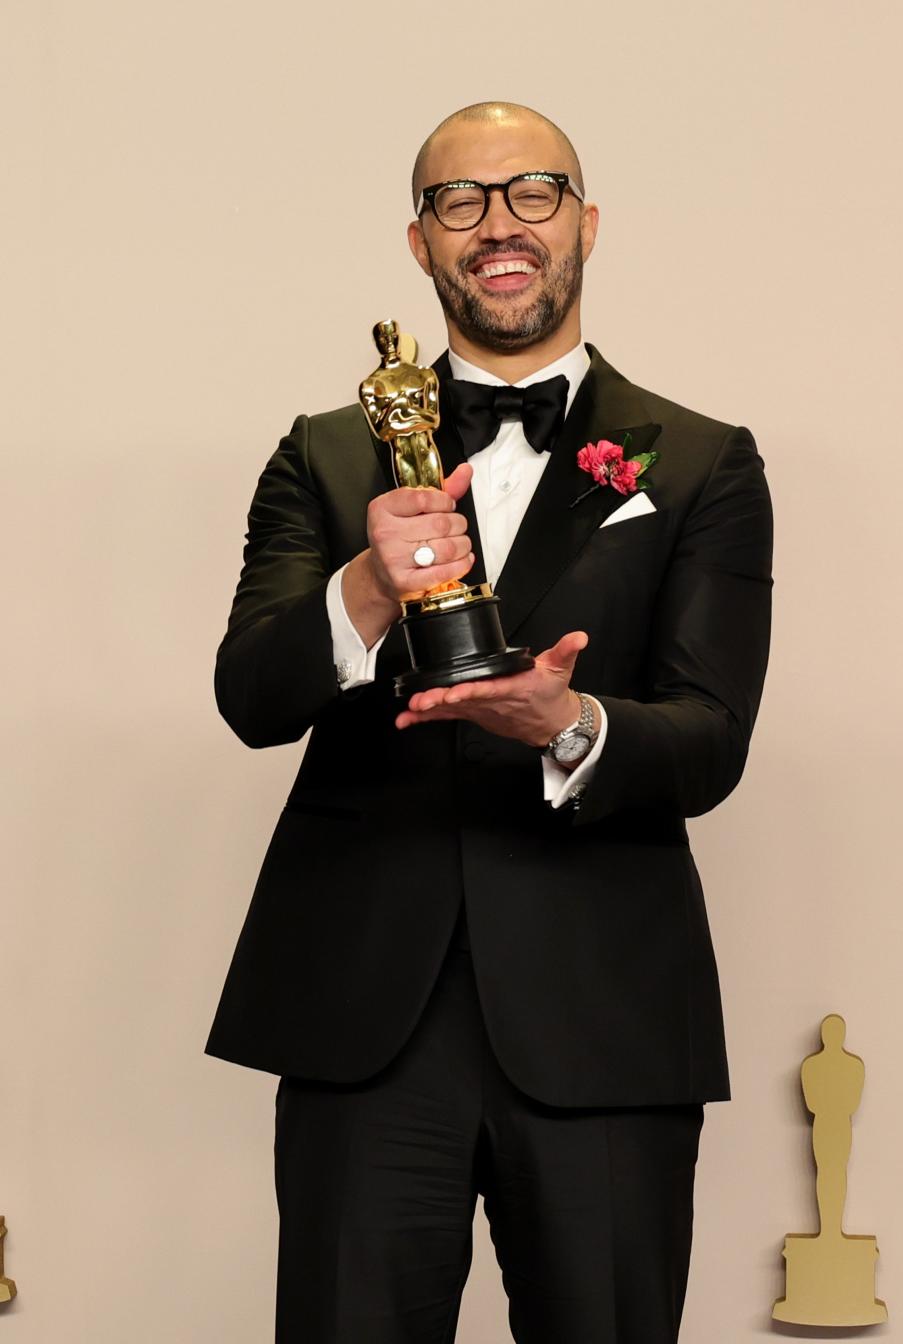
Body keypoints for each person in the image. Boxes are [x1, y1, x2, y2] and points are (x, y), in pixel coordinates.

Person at [206, 101, 774, 1344]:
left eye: (533, 193)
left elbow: (710, 736)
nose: (499, 225)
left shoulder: (699, 462)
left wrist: (567, 721)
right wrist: (363, 590)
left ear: (585, 222)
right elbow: (250, 695)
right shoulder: (323, 453)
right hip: (365, 1016)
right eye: (461, 201)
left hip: (604, 1020)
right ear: (421, 241)